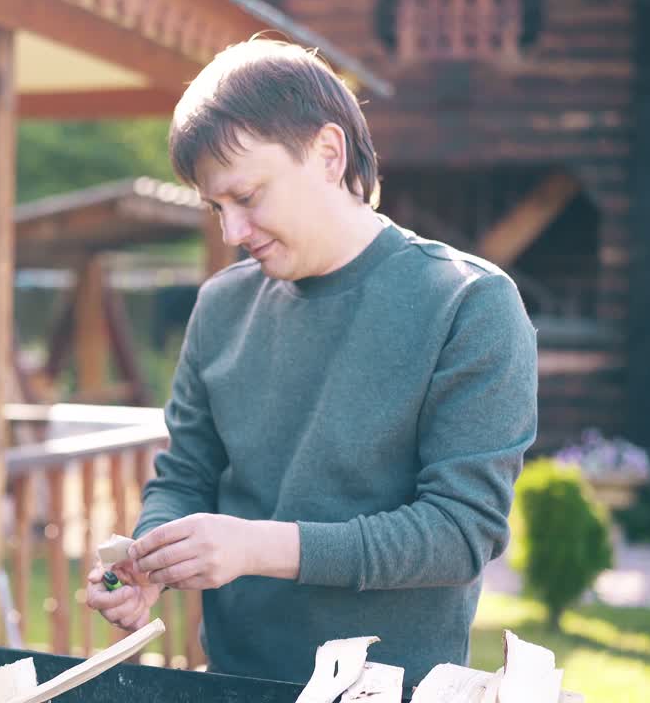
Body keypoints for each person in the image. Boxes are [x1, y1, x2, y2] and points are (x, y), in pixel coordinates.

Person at [84, 38, 538, 688]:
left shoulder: (470, 303)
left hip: (393, 691)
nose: (231, 234)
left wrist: (257, 547)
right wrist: (150, 560)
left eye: (248, 197)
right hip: (233, 682)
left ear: (328, 154)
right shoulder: (220, 306)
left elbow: (460, 533)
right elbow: (185, 476)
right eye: (217, 208)